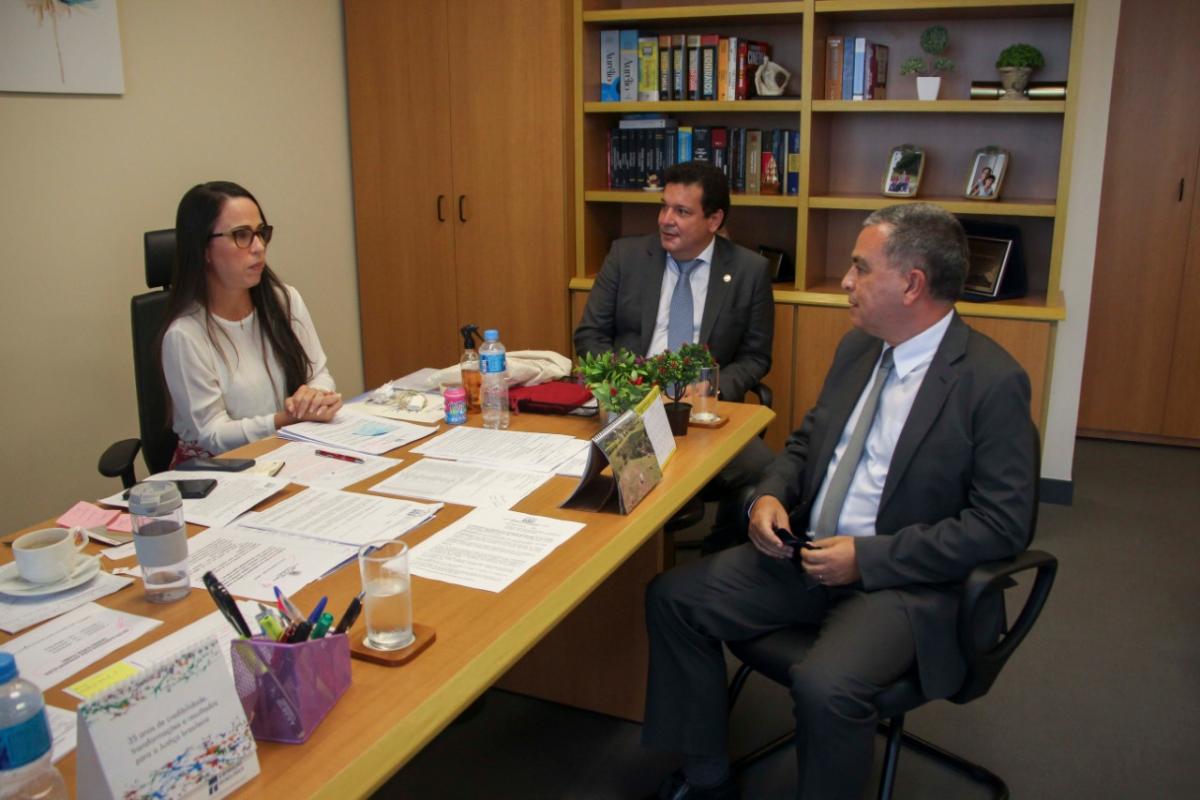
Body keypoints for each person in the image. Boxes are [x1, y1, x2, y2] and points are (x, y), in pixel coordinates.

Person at [643, 203, 1037, 800]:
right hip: (805, 556)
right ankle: (706, 776)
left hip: (904, 584)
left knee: (827, 685)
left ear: (911, 284)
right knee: (672, 598)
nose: (846, 282)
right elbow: (806, 443)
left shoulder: (990, 381)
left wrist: (869, 558)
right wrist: (770, 496)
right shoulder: (860, 349)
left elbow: (1002, 527)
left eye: (860, 268)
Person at [574, 160, 775, 551]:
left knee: (767, 473)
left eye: (682, 211)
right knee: (609, 485)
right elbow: (590, 335)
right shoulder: (626, 256)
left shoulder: (749, 270)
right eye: (664, 207)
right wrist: (624, 385)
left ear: (714, 219)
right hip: (630, 410)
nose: (667, 220)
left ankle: (716, 561)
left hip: (701, 415)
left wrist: (710, 390)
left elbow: (755, 357)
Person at [160, 181, 341, 464]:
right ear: (203, 249)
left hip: (286, 451)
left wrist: (315, 396)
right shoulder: (185, 335)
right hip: (218, 472)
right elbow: (213, 434)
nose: (258, 247)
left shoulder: (284, 300)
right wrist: (287, 418)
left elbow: (318, 372)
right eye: (241, 235)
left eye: (261, 233)